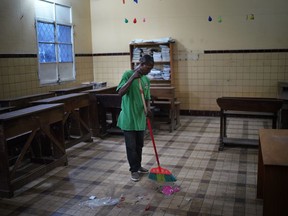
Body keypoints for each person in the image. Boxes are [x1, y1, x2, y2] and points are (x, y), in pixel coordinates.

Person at [117, 54, 154, 182]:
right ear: (141, 64)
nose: (149, 70)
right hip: (128, 117)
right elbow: (120, 92)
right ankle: (133, 170)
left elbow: (148, 97)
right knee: (131, 146)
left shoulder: (146, 80)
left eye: (151, 68)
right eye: (147, 67)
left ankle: (138, 166)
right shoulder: (128, 74)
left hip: (140, 118)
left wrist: (148, 108)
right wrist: (132, 78)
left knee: (139, 146)